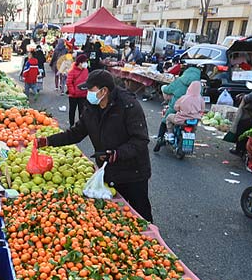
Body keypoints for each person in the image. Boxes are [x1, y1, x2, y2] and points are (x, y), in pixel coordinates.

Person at [36, 70, 153, 222]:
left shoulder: (128, 106)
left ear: (104, 91)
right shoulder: (92, 107)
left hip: (133, 172)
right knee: (116, 214)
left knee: (141, 213)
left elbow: (140, 140)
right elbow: (77, 133)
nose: (87, 94)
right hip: (109, 170)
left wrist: (117, 153)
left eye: (91, 90)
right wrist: (48, 141)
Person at [155, 66, 202, 151]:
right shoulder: (198, 86)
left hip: (178, 113)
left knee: (165, 120)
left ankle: (161, 138)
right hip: (194, 118)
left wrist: (163, 88)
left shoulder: (180, 83)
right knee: (194, 127)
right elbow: (202, 107)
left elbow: (167, 90)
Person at [66, 53, 89, 125]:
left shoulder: (86, 70)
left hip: (83, 95)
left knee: (82, 112)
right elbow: (69, 82)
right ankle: (71, 125)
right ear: (80, 63)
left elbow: (87, 81)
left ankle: (81, 126)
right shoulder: (72, 71)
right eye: (85, 62)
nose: (86, 63)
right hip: (73, 95)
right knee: (72, 111)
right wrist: (73, 91)